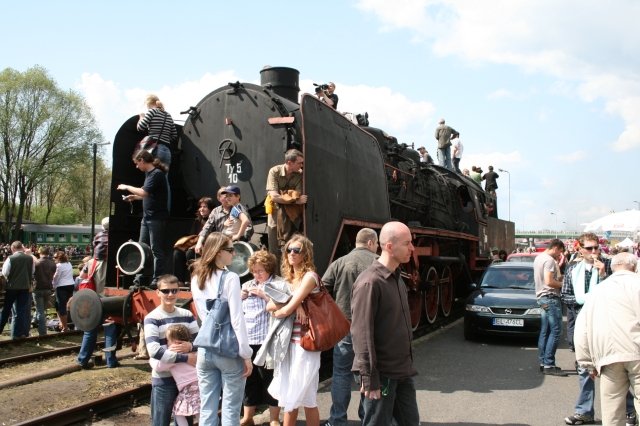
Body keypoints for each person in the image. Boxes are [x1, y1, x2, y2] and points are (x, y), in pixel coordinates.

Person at [351, 221, 420, 426]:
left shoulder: (397, 277)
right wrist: (370, 378)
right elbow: (361, 334)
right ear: (389, 246)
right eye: (407, 243)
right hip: (381, 375)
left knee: (410, 422)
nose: (412, 248)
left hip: (402, 371)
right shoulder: (370, 282)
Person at [191, 232, 253, 426]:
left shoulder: (196, 277)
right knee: (230, 409)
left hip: (205, 348)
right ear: (218, 253)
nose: (233, 254)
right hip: (228, 351)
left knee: (207, 407)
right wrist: (246, 354)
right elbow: (237, 320)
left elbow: (204, 316)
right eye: (230, 249)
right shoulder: (231, 278)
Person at [574, 253, 640, 426]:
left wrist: (587, 363)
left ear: (612, 268)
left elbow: (582, 329)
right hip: (637, 352)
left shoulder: (597, 290)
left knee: (612, 411)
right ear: (634, 267)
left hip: (608, 356)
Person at [322, 228, 379, 426]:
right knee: (367, 373)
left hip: (344, 325)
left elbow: (322, 288)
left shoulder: (339, 262)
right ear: (371, 242)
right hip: (369, 328)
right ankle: (366, 418)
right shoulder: (377, 262)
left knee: (340, 373)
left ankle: (337, 419)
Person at [267, 234, 322, 426]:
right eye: (288, 250)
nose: (291, 253)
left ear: (305, 253)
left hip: (306, 344)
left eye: (296, 250)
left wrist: (291, 305)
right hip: (288, 345)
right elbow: (269, 306)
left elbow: (284, 310)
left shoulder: (310, 277)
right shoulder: (287, 280)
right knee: (297, 397)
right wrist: (293, 303)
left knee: (301, 398)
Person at [144, 274, 199, 426]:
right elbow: (154, 351)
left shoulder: (187, 315)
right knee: (160, 421)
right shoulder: (152, 318)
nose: (170, 295)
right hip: (164, 378)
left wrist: (190, 346)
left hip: (187, 380)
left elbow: (200, 342)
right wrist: (187, 358)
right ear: (158, 292)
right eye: (166, 291)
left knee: (185, 420)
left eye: (174, 291)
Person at [240, 250, 282, 426]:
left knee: (270, 379)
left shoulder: (278, 285)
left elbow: (282, 308)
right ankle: (248, 417)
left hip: (268, 341)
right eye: (254, 271)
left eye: (260, 271)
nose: (256, 275)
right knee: (249, 379)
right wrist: (239, 297)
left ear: (269, 269)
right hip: (249, 340)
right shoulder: (247, 284)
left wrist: (265, 296)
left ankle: (274, 418)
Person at [118, 150, 169, 286]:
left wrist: (126, 187)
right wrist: (134, 197)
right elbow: (147, 194)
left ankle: (157, 278)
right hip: (147, 218)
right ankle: (139, 278)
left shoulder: (156, 174)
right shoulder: (149, 174)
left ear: (142, 160)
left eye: (137, 163)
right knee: (141, 247)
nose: (136, 167)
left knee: (155, 249)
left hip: (156, 218)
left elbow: (144, 191)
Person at [149, 324, 201, 426]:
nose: (167, 343)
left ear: (175, 342)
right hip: (200, 384)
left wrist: (152, 358)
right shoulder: (192, 351)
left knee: (178, 412)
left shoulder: (173, 356)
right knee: (201, 411)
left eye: (168, 340)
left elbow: (158, 366)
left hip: (188, 387)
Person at [533, 238, 567, 376]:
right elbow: (549, 281)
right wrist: (564, 285)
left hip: (542, 298)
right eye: (560, 252)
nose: (559, 256)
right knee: (556, 330)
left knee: (545, 331)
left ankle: (543, 362)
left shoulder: (538, 258)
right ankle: (549, 364)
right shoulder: (549, 260)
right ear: (556, 248)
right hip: (550, 297)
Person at [266, 149, 308, 256]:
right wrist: (293, 199)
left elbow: (298, 194)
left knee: (289, 248)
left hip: (291, 216)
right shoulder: (274, 172)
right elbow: (274, 197)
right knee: (274, 249)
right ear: (290, 163)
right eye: (299, 163)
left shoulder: (299, 175)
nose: (302, 165)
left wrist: (284, 195)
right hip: (275, 214)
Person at [173, 196, 214, 283]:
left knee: (190, 253)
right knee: (178, 253)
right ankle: (179, 281)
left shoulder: (214, 221)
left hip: (209, 247)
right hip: (196, 245)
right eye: (200, 207)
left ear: (211, 209)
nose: (201, 209)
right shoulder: (197, 221)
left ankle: (194, 281)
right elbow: (193, 236)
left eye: (205, 207)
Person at [0, 241, 35, 339]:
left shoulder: (10, 258)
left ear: (13, 248)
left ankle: (1, 328)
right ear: (21, 248)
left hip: (12, 287)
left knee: (6, 310)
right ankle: (18, 334)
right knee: (21, 311)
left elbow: (5, 272)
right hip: (25, 287)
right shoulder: (30, 258)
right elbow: (32, 272)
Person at [137, 94, 178, 170]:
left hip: (155, 149)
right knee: (163, 179)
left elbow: (140, 127)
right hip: (167, 151)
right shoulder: (168, 115)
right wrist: (165, 139)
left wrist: (141, 117)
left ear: (149, 103)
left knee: (152, 177)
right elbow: (174, 135)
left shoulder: (152, 111)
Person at [195, 187, 232, 255]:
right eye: (225, 196)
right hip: (218, 243)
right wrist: (199, 242)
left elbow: (248, 227)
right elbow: (206, 228)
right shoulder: (215, 211)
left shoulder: (238, 209)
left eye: (229, 195)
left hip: (233, 243)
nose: (227, 198)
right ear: (219, 198)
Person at [32, 246, 56, 336]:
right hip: (48, 288)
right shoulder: (53, 263)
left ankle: (42, 332)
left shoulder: (37, 263)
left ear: (39, 252)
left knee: (40, 311)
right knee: (42, 309)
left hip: (38, 288)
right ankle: (34, 320)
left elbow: (32, 274)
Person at [52, 251, 75, 332]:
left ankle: (65, 327)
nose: (53, 259)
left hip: (61, 286)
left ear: (59, 258)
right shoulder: (69, 264)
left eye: (55, 257)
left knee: (61, 306)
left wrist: (53, 286)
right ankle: (63, 323)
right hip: (70, 285)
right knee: (62, 305)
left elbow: (56, 278)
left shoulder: (58, 266)